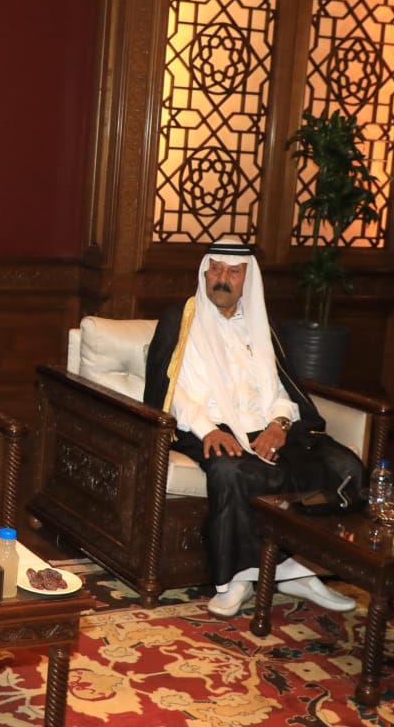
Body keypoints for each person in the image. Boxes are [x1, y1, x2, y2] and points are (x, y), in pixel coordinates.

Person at [143, 238, 363, 618]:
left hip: (267, 426)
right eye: (215, 269)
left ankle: (302, 569)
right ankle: (236, 580)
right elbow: (170, 390)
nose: (221, 279)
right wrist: (208, 430)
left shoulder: (260, 324)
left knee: (345, 467)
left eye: (233, 272)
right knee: (230, 471)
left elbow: (282, 388)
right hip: (208, 426)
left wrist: (279, 425)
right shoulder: (181, 319)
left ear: (248, 278)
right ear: (205, 272)